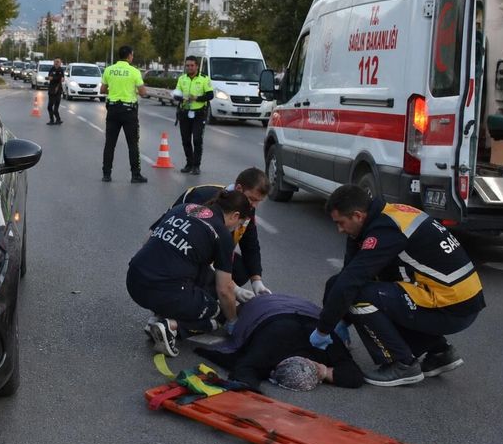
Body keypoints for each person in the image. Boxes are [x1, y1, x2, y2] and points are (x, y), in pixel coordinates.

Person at [311, 184, 485, 387]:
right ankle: (439, 352)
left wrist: (323, 330)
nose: (339, 230)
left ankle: (402, 365)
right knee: (370, 287)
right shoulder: (389, 214)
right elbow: (347, 273)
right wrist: (340, 321)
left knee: (360, 295)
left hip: (452, 309)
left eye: (340, 223)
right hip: (459, 300)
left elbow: (350, 283)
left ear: (358, 215)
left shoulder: (385, 231)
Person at [127, 190, 254, 357]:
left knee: (196, 272)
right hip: (163, 291)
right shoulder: (222, 234)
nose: (235, 229)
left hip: (134, 279)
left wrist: (236, 290)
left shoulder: (186, 209)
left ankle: (160, 314)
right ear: (235, 215)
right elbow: (224, 290)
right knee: (219, 312)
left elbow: (146, 241)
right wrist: (232, 321)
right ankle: (171, 325)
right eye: (239, 224)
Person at [195, 293, 363, 391]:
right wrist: (325, 371)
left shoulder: (325, 344)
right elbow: (243, 371)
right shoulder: (268, 351)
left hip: (291, 308)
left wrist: (325, 371)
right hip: (265, 308)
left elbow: (355, 377)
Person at [170, 167, 270, 294]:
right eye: (252, 199)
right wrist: (232, 288)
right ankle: (173, 303)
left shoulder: (247, 207)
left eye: (258, 201)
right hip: (181, 254)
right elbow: (188, 243)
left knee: (241, 270)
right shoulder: (203, 197)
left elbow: (251, 245)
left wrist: (257, 281)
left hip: (206, 257)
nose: (254, 205)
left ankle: (205, 298)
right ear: (239, 189)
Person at [100, 45, 148, 183]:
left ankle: (106, 174)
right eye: (132, 55)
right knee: (132, 144)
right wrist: (133, 91)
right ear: (129, 56)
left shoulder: (109, 70)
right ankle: (135, 174)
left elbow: (103, 89)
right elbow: (143, 92)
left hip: (113, 110)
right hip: (129, 112)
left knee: (110, 144)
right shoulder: (134, 71)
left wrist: (115, 91)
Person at [173, 55, 214, 175]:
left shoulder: (204, 79)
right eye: (187, 66)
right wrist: (181, 97)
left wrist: (197, 98)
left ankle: (196, 166)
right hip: (184, 113)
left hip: (199, 113)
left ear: (196, 66)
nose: (189, 68)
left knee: (197, 139)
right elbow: (176, 94)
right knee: (185, 140)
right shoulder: (182, 79)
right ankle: (189, 163)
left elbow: (210, 95)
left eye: (192, 65)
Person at [46, 58, 65, 125]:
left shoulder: (61, 70)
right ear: (53, 62)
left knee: (55, 108)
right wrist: (49, 78)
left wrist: (53, 78)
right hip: (51, 90)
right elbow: (49, 76)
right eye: (55, 61)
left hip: (58, 90)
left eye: (58, 62)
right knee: (49, 106)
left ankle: (58, 119)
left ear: (60, 63)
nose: (56, 63)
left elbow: (61, 79)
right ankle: (52, 120)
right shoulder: (52, 69)